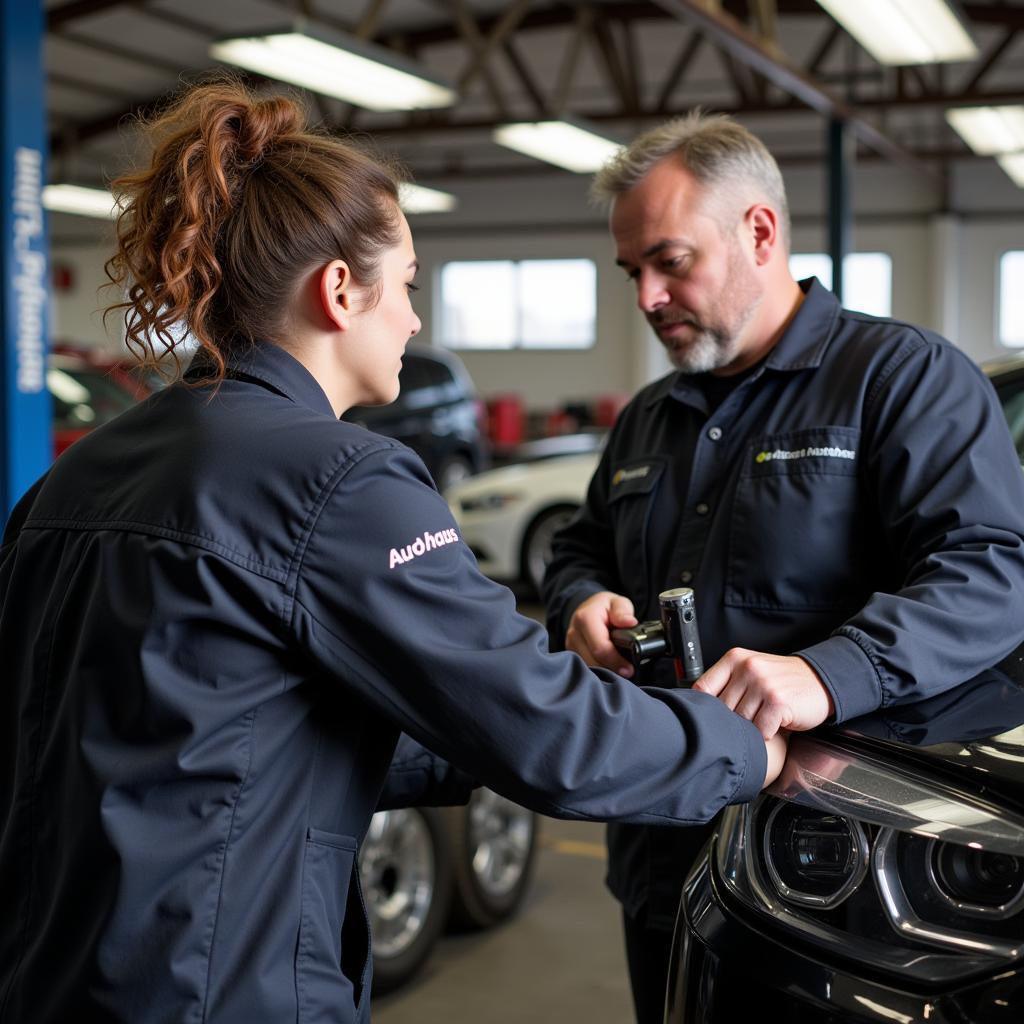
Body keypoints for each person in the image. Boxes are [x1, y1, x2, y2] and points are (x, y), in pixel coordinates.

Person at [0, 83, 787, 1024]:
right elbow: (552, 738)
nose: (415, 319)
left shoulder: (81, 475)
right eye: (408, 283)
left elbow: (221, 729)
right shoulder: (341, 479)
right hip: (220, 992)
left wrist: (471, 717)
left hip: (47, 976)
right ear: (340, 290)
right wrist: (746, 748)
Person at [542, 111, 1024, 1024]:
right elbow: (579, 546)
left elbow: (990, 573)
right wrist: (577, 602)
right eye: (631, 272)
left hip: (831, 889)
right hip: (656, 849)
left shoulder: (903, 381)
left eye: (670, 261)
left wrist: (821, 674)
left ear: (759, 233)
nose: (646, 297)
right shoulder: (650, 417)